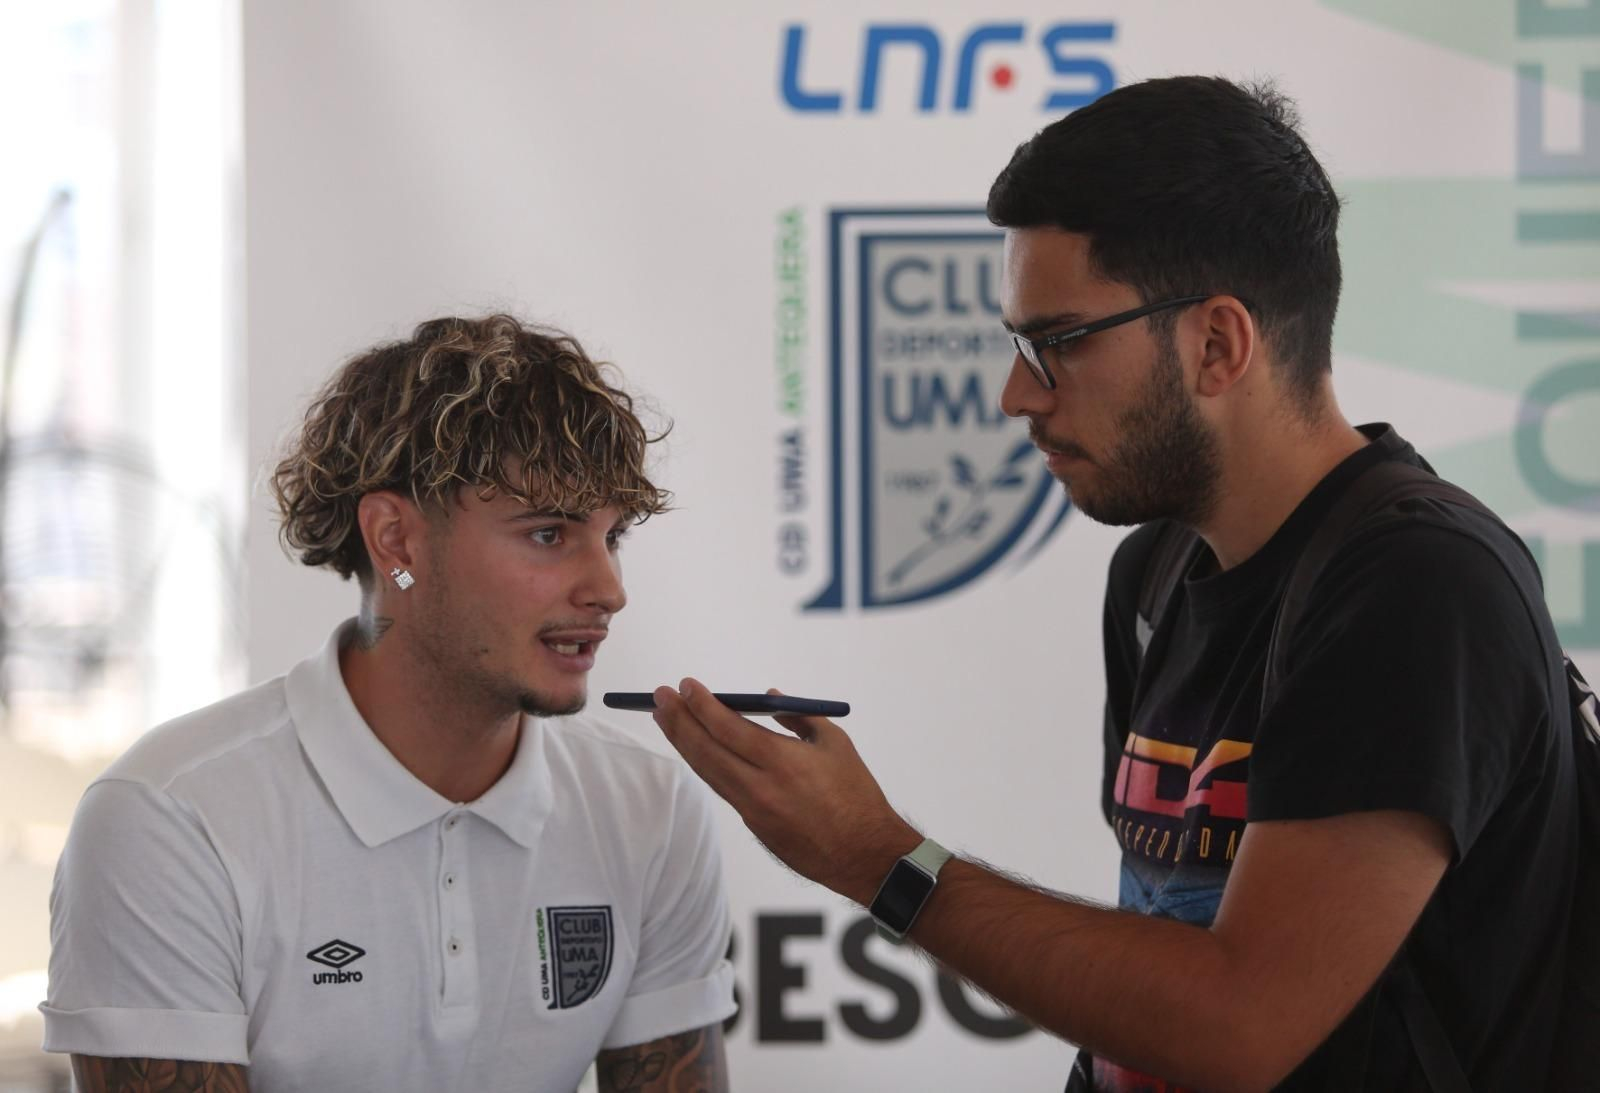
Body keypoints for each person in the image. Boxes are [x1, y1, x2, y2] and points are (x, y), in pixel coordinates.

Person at [651, 77, 1578, 1091]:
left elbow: (1237, 1022)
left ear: (1217, 343)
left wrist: (880, 858)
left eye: (1057, 343)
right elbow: (1154, 960)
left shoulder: (1416, 587)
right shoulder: (1156, 574)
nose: (1015, 394)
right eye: (1017, 345)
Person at [43, 315, 736, 1092]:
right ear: (396, 540)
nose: (608, 589)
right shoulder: (171, 817)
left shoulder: (650, 804)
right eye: (549, 533)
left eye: (613, 538)